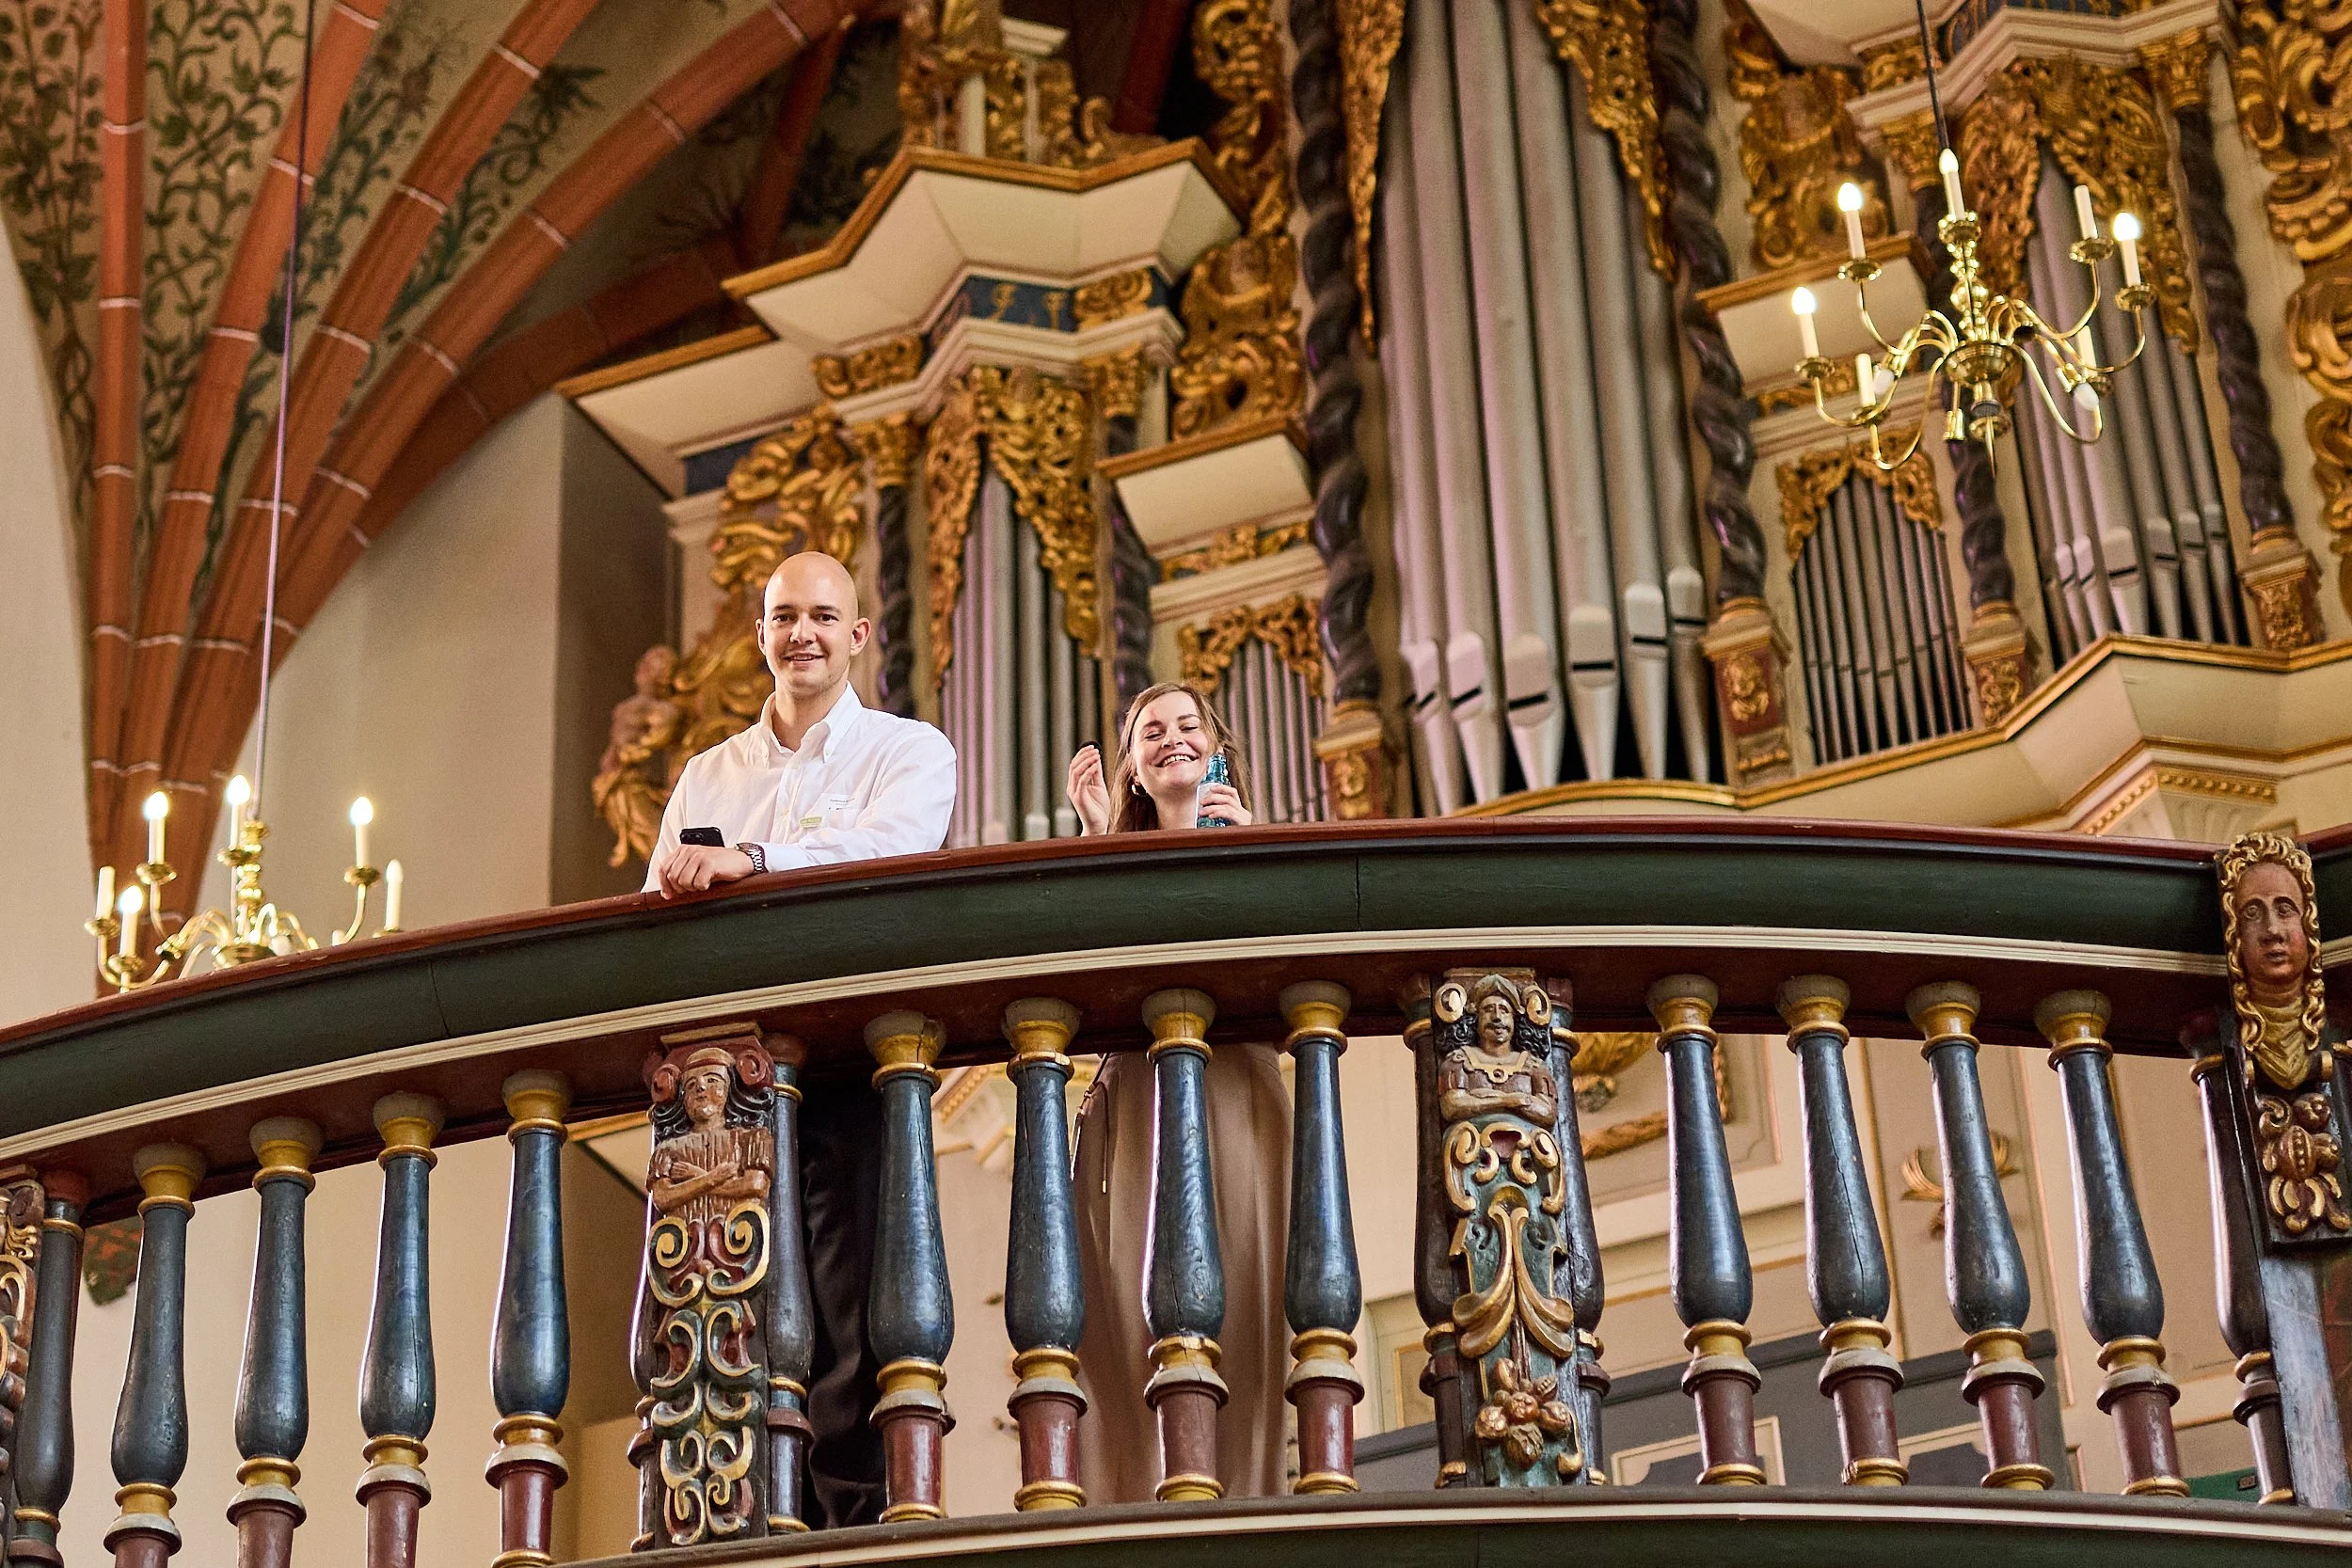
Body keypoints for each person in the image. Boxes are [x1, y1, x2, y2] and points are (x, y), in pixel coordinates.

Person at [644, 548, 957, 1528]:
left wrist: (756, 859)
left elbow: (891, 848)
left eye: (824, 616)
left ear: (858, 634)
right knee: (726, 1318)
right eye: (784, 617)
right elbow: (654, 905)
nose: (803, 634)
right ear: (761, 636)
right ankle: (747, 1519)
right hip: (721, 1090)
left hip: (854, 1067)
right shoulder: (708, 772)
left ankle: (854, 1523)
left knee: (851, 1314)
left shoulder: (910, 751)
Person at [1063, 680, 1290, 1501]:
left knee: (1247, 1298)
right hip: (1141, 1096)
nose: (1171, 739)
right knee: (1131, 1311)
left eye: (1188, 725)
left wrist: (1252, 857)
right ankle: (1147, 1494)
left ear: (1216, 744)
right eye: (1150, 730)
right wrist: (1095, 840)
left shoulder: (1260, 847)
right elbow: (1086, 973)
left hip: (1234, 1088)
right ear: (1131, 766)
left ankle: (1247, 1493)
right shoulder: (1110, 854)